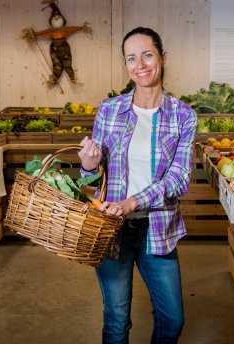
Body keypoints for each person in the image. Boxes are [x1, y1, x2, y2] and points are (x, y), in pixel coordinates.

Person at [77, 27, 197, 343]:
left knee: (172, 320)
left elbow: (179, 179)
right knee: (116, 322)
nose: (139, 64)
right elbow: (90, 177)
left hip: (157, 227)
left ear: (162, 58)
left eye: (147, 54)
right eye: (131, 58)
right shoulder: (110, 109)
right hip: (111, 228)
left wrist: (132, 202)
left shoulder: (183, 116)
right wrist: (88, 165)